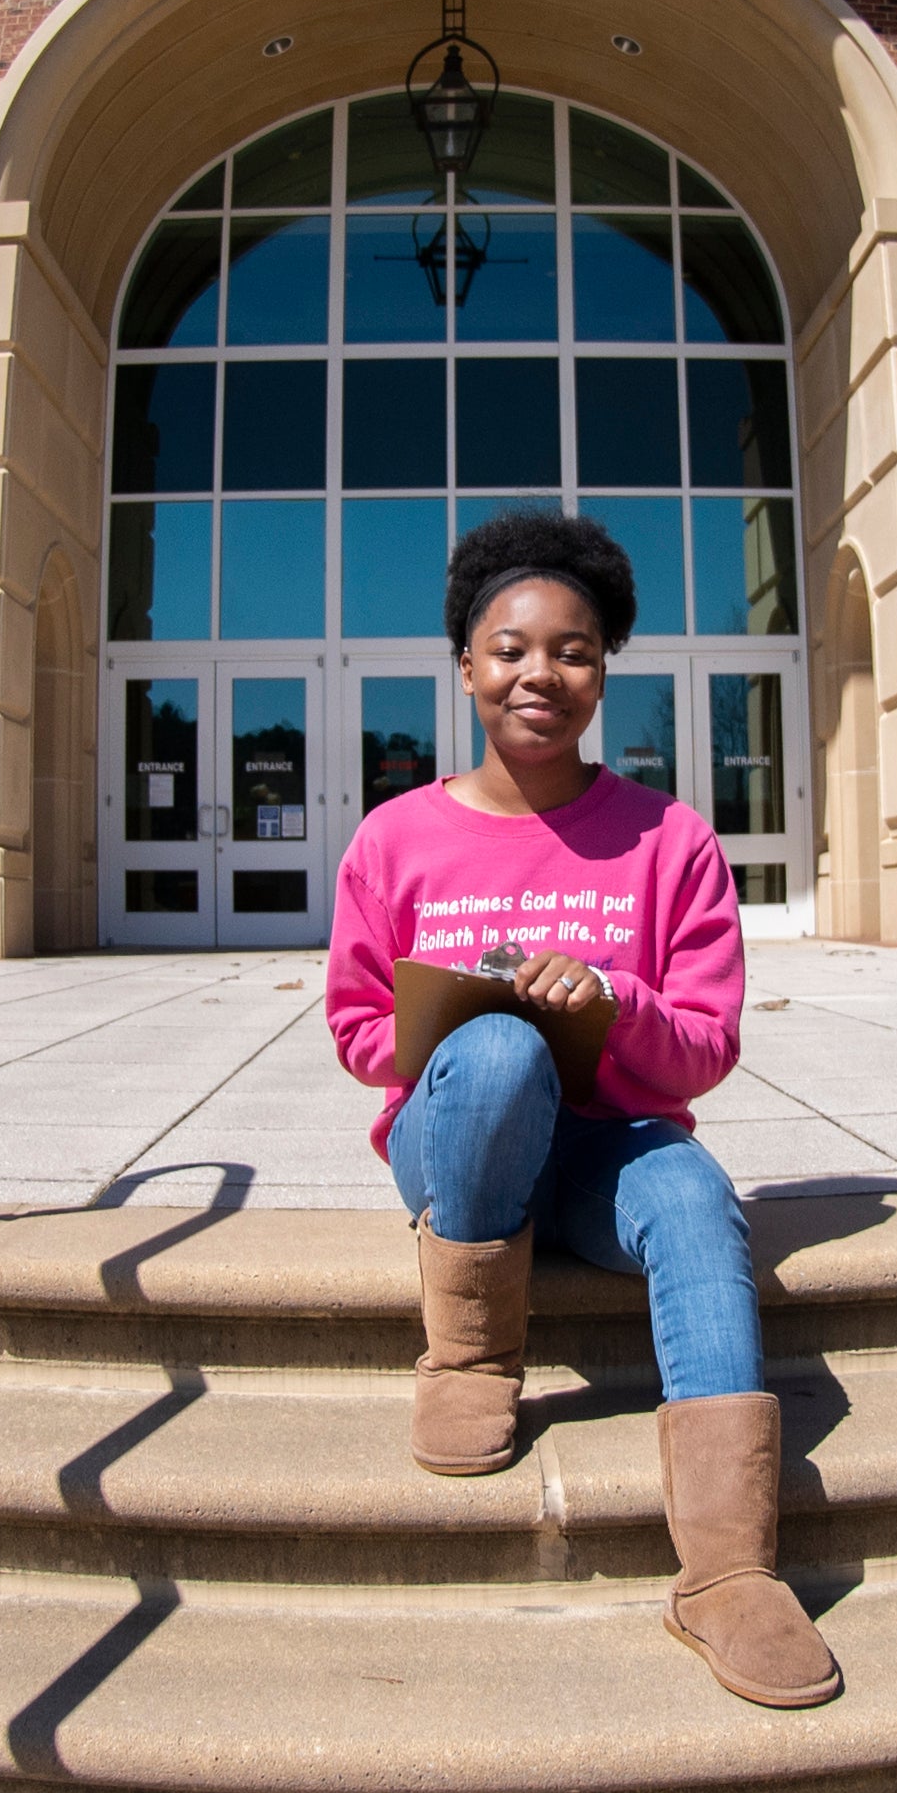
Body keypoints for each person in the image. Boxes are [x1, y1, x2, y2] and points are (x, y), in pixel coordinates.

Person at [323, 512, 840, 1710]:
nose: (538, 674)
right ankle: (468, 1349)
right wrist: (469, 1026)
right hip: (459, 1149)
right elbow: (358, 1031)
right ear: (465, 665)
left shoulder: (670, 840)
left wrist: (610, 997)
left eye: (573, 650)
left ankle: (726, 1572)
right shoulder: (396, 840)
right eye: (509, 649)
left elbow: (705, 1046)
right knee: (501, 1053)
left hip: (614, 1148)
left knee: (696, 1195)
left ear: (605, 671)